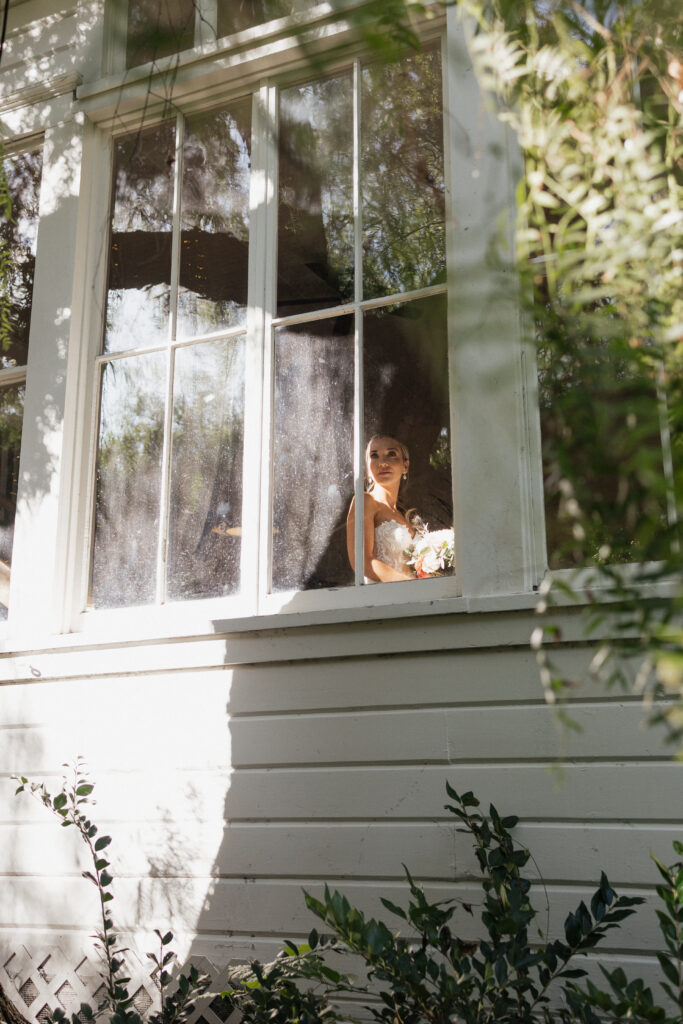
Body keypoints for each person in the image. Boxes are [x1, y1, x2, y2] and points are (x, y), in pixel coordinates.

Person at [346, 435, 416, 582]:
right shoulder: (365, 501)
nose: (382, 463)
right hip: (385, 594)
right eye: (374, 456)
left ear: (405, 466)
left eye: (391, 454)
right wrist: (412, 585)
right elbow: (361, 561)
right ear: (368, 468)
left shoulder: (402, 515)